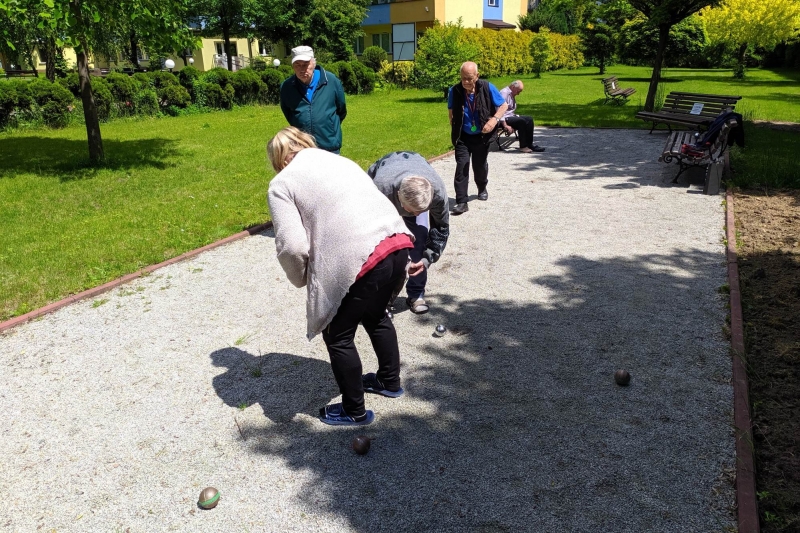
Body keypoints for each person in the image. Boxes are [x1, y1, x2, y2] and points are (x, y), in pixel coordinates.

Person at [267, 126, 415, 427]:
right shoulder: (340, 160)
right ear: (306, 144)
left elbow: (292, 245)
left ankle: (354, 410)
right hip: (397, 241)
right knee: (376, 316)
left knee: (337, 335)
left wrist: (301, 279)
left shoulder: (282, 182)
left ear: (281, 160)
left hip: (361, 256)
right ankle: (389, 382)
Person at [367, 151, 450, 315]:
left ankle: (416, 294)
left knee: (419, 242)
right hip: (385, 183)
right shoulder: (380, 189)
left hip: (414, 169)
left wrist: (427, 259)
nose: (418, 215)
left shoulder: (437, 194)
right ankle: (380, 301)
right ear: (398, 197)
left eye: (422, 211)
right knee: (385, 251)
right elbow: (369, 231)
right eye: (413, 212)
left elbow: (441, 229)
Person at [447, 61, 508, 216]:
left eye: (469, 78)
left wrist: (493, 120)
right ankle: (461, 201)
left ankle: (482, 187)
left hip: (482, 136)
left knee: (479, 166)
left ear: (477, 76)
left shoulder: (487, 87)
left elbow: (503, 106)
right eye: (463, 78)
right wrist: (455, 128)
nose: (466, 82)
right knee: (462, 165)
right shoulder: (455, 91)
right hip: (463, 137)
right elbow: (451, 113)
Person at [279, 46, 347, 153]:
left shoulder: (331, 81)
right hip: (302, 146)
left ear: (313, 64)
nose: (302, 69)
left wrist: (329, 126)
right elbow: (288, 113)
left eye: (306, 64)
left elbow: (341, 109)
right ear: (293, 66)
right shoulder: (287, 87)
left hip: (329, 144)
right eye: (297, 65)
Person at [499, 80, 545, 153]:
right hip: (503, 118)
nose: (518, 94)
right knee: (521, 122)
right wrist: (505, 125)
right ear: (513, 87)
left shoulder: (511, 94)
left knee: (529, 119)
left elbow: (510, 110)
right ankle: (523, 146)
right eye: (518, 91)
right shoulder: (504, 93)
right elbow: (499, 110)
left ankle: (529, 144)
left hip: (510, 116)